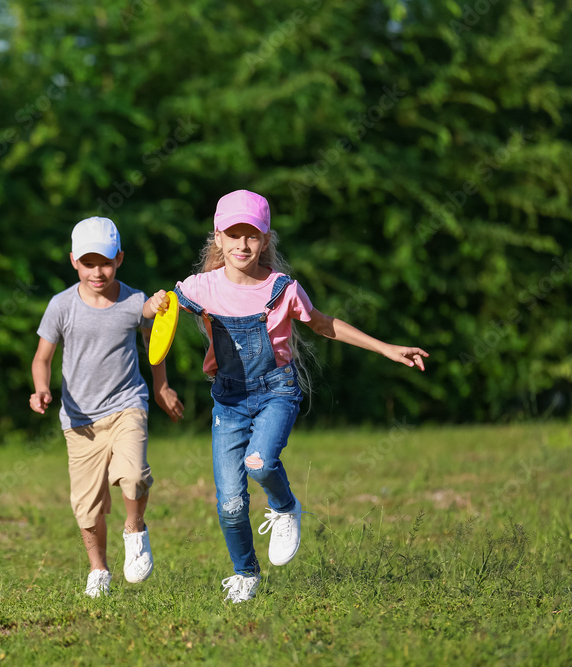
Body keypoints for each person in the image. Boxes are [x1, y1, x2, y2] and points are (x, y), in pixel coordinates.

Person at [143, 190, 428, 604]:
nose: (243, 244)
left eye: (252, 235)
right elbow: (162, 313)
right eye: (234, 235)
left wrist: (387, 348)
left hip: (277, 391)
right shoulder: (200, 288)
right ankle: (245, 573)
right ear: (218, 238)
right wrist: (154, 306)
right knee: (230, 504)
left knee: (259, 463)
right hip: (228, 400)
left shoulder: (282, 288)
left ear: (266, 239)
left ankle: (285, 506)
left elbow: (325, 324)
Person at [31, 216, 185, 598]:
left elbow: (156, 345)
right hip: (79, 421)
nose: (96, 271)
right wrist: (40, 389)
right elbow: (42, 358)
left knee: (133, 475)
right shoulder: (61, 306)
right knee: (87, 507)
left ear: (119, 258)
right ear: (73, 261)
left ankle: (135, 529)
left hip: (126, 405)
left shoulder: (134, 301)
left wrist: (162, 386)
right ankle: (98, 570)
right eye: (88, 262)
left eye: (105, 261)